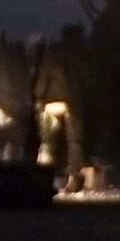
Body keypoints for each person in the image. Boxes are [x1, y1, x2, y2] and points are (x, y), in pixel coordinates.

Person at [32, 22, 93, 187]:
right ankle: (74, 178)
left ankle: (42, 177)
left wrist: (39, 97)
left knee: (47, 142)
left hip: (50, 103)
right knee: (74, 142)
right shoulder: (81, 52)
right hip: (73, 102)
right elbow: (88, 79)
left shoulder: (52, 51)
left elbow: (42, 77)